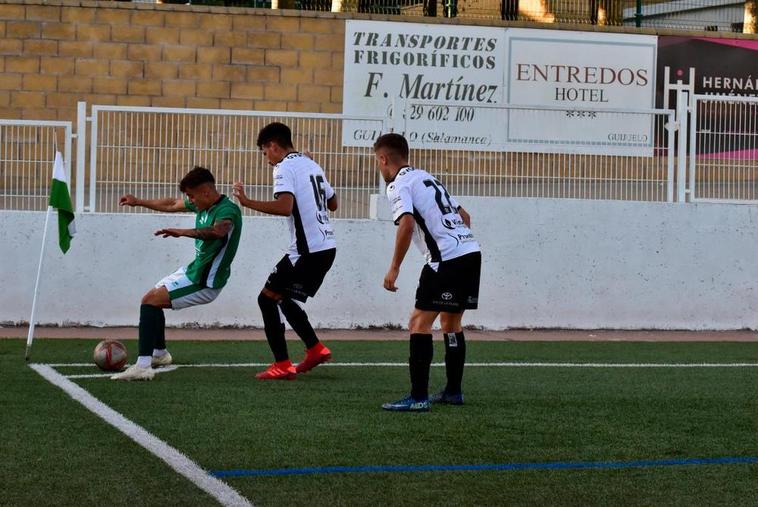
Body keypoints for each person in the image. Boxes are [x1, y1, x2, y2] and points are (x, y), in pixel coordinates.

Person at [373, 133, 481, 411]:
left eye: (378, 162)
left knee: (418, 323)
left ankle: (418, 397)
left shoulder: (398, 184)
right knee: (451, 324)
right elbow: (465, 217)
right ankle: (453, 392)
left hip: (446, 261)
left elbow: (406, 224)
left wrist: (393, 268)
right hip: (470, 252)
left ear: (384, 159)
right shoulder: (426, 177)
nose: (380, 167)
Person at [112, 167, 242, 381]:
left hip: (206, 281)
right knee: (154, 297)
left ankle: (143, 366)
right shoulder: (203, 203)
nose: (189, 200)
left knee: (149, 301)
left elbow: (218, 231)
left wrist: (182, 233)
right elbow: (172, 204)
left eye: (191, 195)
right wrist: (139, 202)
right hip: (193, 271)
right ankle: (159, 354)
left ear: (206, 193)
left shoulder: (227, 211)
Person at [233, 122, 337, 380]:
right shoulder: (311, 164)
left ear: (273, 146)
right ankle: (315, 349)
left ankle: (281, 364)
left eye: (264, 151)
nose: (266, 158)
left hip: (306, 250)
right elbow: (334, 203)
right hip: (326, 248)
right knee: (284, 298)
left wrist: (246, 202)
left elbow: (284, 207)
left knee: (266, 298)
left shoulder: (284, 167)